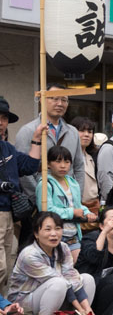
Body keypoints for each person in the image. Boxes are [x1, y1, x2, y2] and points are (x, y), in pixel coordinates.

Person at [8, 212, 96, 315]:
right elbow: (61, 282)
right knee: (58, 283)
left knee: (87, 279)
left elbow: (71, 277)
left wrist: (87, 310)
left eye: (58, 228)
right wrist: (81, 308)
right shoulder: (29, 254)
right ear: (36, 234)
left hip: (54, 294)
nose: (54, 234)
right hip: (23, 303)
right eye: (48, 229)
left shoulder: (64, 247)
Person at [0, 102, 48, 296]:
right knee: (0, 266)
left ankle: (2, 312)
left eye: (4, 118)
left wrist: (36, 139)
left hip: (10, 214)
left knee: (9, 264)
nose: (1, 122)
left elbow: (29, 165)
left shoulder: (7, 148)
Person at [16, 84, 85, 196]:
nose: (60, 104)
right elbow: (23, 171)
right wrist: (39, 196)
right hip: (40, 197)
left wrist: (77, 195)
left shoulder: (73, 132)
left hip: (68, 197)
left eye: (64, 100)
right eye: (54, 99)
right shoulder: (28, 130)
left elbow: (79, 167)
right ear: (42, 100)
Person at [36, 145, 94, 261]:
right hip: (54, 235)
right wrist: (72, 212)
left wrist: (87, 212)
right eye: (58, 161)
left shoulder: (72, 182)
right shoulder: (45, 184)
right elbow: (46, 210)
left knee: (76, 268)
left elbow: (76, 205)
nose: (63, 166)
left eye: (67, 162)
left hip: (73, 235)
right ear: (48, 164)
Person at [70, 117, 101, 224]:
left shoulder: (92, 156)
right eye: (82, 131)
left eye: (90, 131)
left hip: (94, 207)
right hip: (76, 207)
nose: (87, 134)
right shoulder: (67, 157)